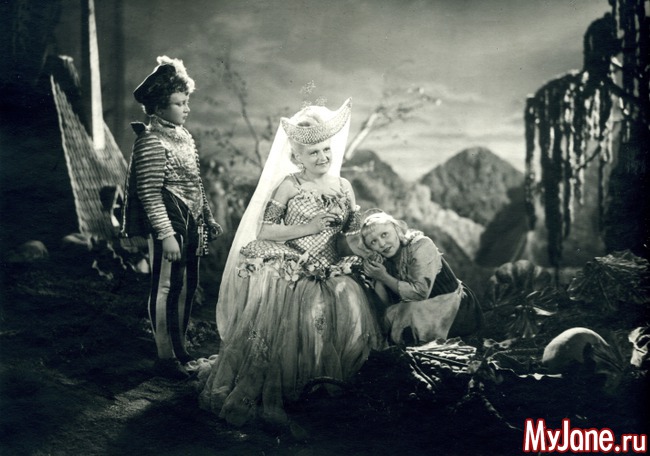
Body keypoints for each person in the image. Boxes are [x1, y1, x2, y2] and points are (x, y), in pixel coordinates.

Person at [196, 98, 384, 428]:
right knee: (305, 320)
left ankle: (329, 388)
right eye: (313, 153)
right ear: (297, 157)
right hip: (296, 270)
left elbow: (350, 233)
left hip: (334, 270)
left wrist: (364, 244)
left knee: (351, 308)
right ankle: (294, 388)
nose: (323, 157)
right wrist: (309, 227)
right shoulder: (289, 185)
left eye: (326, 150)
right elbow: (265, 230)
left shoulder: (344, 186)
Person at [121, 56, 222, 379]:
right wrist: (165, 234)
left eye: (186, 102)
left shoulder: (184, 137)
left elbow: (195, 183)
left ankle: (180, 350)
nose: (186, 109)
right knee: (166, 286)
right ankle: (165, 357)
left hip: (191, 219)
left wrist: (207, 217)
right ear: (158, 108)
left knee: (188, 285)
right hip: (169, 219)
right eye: (179, 103)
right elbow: (149, 192)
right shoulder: (151, 140)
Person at [358, 210, 483, 346]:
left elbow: (419, 293)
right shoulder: (385, 259)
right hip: (420, 310)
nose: (382, 244)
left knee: (404, 322)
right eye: (373, 242)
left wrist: (383, 277)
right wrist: (377, 275)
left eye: (384, 234)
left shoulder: (421, 246)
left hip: (453, 308)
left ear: (396, 230)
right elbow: (385, 306)